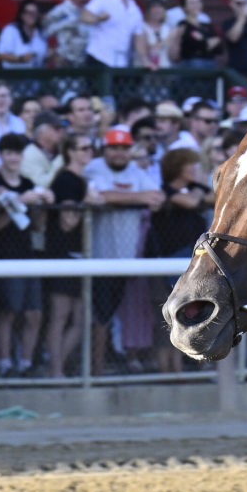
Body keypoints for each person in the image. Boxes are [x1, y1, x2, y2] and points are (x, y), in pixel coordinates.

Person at [83, 128, 164, 376]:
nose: (119, 153)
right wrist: (138, 197)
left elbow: (158, 197)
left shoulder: (134, 171)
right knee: (98, 315)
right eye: (114, 148)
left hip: (127, 257)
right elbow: (103, 196)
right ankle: (93, 370)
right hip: (98, 256)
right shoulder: (94, 167)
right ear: (104, 149)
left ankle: (103, 366)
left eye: (124, 148)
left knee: (111, 313)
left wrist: (124, 198)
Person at [0, 133, 54, 377]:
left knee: (34, 312)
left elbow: (35, 226)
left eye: (17, 153)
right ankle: (5, 363)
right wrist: (17, 202)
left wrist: (40, 203)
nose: (13, 157)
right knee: (9, 311)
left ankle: (26, 363)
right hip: (4, 256)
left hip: (29, 254)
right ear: (2, 156)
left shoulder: (27, 182)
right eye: (8, 153)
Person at [147, 148, 213, 373]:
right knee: (166, 321)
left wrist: (200, 191)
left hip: (189, 267)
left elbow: (215, 196)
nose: (197, 170)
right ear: (178, 168)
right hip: (164, 265)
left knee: (187, 317)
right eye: (191, 165)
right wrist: (198, 193)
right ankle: (167, 370)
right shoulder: (164, 191)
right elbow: (193, 202)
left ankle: (180, 369)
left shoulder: (195, 188)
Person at [45, 134, 101, 377]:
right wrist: (86, 203)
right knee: (61, 316)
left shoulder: (81, 179)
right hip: (63, 254)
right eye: (84, 147)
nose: (89, 151)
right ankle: (55, 371)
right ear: (70, 151)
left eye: (91, 147)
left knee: (81, 320)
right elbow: (67, 222)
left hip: (79, 254)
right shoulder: (67, 180)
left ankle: (57, 368)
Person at [81, 0, 148, 68]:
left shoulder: (135, 9)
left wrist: (145, 60)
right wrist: (98, 18)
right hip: (98, 58)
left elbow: (138, 37)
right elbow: (84, 17)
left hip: (120, 63)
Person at [42, 0, 92, 68]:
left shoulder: (92, 11)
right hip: (66, 67)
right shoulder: (59, 12)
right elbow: (41, 35)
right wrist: (53, 53)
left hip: (89, 67)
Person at [168, 0, 222, 68]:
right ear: (184, 7)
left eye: (198, 2)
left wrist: (203, 43)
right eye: (192, 3)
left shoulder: (207, 25)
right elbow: (189, 48)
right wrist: (207, 43)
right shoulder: (182, 25)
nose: (196, 5)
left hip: (210, 65)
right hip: (192, 66)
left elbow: (219, 48)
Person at [0, 0, 47, 69]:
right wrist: (21, 58)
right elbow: (0, 55)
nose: (32, 16)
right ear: (22, 14)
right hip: (14, 76)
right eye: (29, 13)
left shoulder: (41, 31)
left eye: (35, 13)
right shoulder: (11, 30)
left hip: (36, 76)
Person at [20, 111, 66, 185]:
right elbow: (42, 184)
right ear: (40, 132)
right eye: (56, 128)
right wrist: (63, 157)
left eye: (62, 127)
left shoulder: (58, 149)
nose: (61, 131)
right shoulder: (29, 154)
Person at [137, 0, 172, 70]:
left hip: (165, 72)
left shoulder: (167, 28)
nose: (157, 10)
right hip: (144, 72)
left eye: (160, 7)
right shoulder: (141, 27)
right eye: (154, 7)